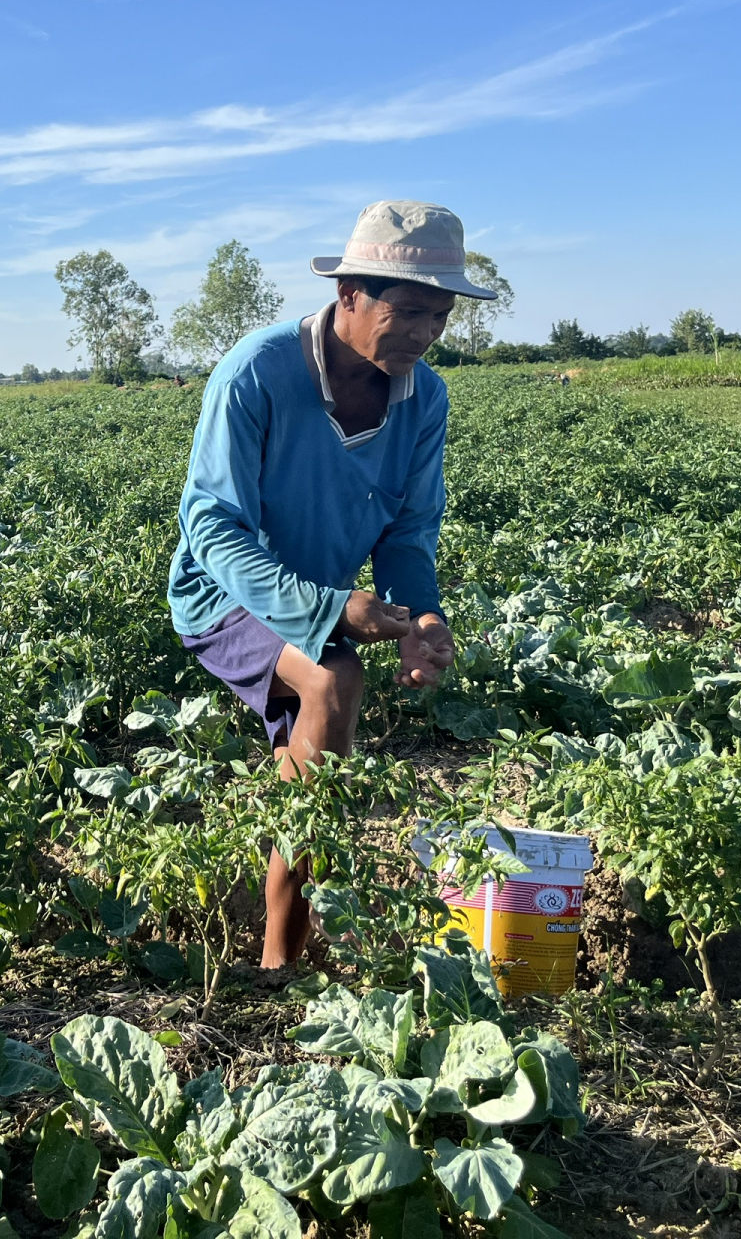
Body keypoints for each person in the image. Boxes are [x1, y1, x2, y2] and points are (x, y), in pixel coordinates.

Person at [167, 199, 498, 972]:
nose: (425, 333)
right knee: (333, 679)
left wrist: (422, 618)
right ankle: (280, 961)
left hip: (316, 599)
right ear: (349, 293)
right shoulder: (258, 372)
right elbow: (213, 527)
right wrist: (329, 609)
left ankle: (287, 939)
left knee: (313, 756)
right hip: (224, 594)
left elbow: (406, 533)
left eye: (440, 317)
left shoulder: (425, 398)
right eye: (408, 311)